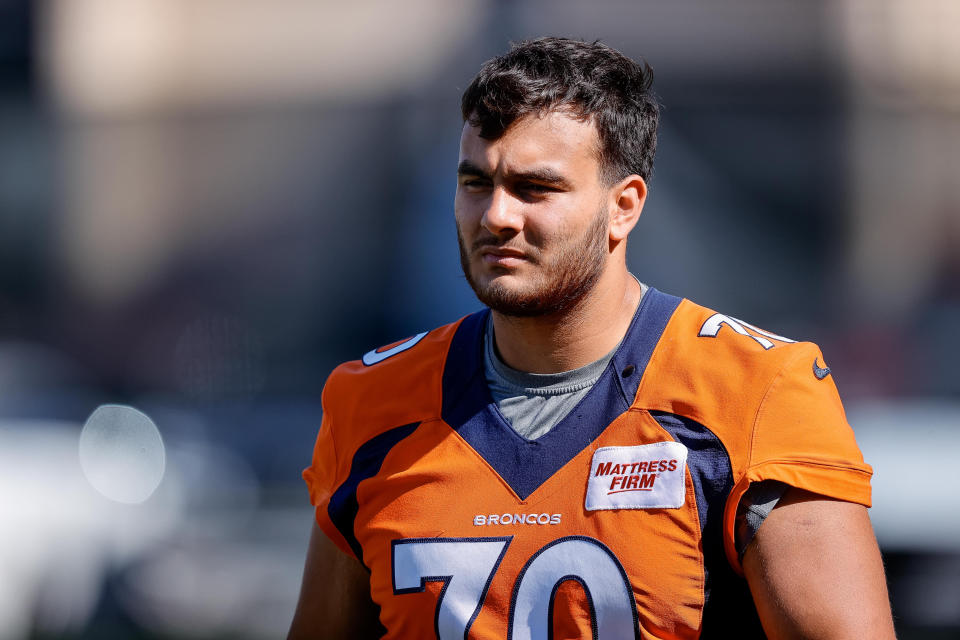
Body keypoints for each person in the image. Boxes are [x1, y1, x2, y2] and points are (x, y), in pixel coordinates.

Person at [288, 37, 896, 639]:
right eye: (476, 182)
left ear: (623, 206)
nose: (497, 215)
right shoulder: (370, 402)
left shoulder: (756, 389)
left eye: (535, 188)